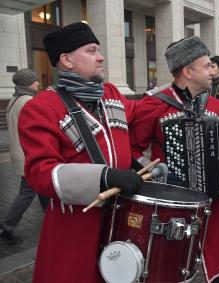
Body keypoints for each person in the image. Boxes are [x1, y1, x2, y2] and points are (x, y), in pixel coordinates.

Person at [18, 22, 145, 283]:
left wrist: (140, 161)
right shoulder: (41, 107)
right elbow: (39, 173)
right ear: (66, 60)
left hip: (120, 219)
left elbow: (140, 116)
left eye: (98, 50)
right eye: (91, 50)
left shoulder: (110, 93)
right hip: (75, 228)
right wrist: (104, 177)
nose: (100, 57)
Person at [130, 36, 219, 283]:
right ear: (188, 71)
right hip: (172, 206)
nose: (213, 71)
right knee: (172, 268)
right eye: (207, 66)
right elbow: (132, 149)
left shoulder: (216, 106)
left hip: (212, 207)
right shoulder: (154, 103)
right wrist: (158, 173)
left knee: (218, 270)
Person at [0, 69, 49, 244]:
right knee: (27, 192)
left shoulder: (15, 99)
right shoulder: (27, 101)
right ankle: (7, 226)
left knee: (42, 188)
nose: (37, 83)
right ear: (28, 83)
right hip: (28, 155)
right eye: (35, 81)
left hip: (20, 153)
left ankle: (52, 217)